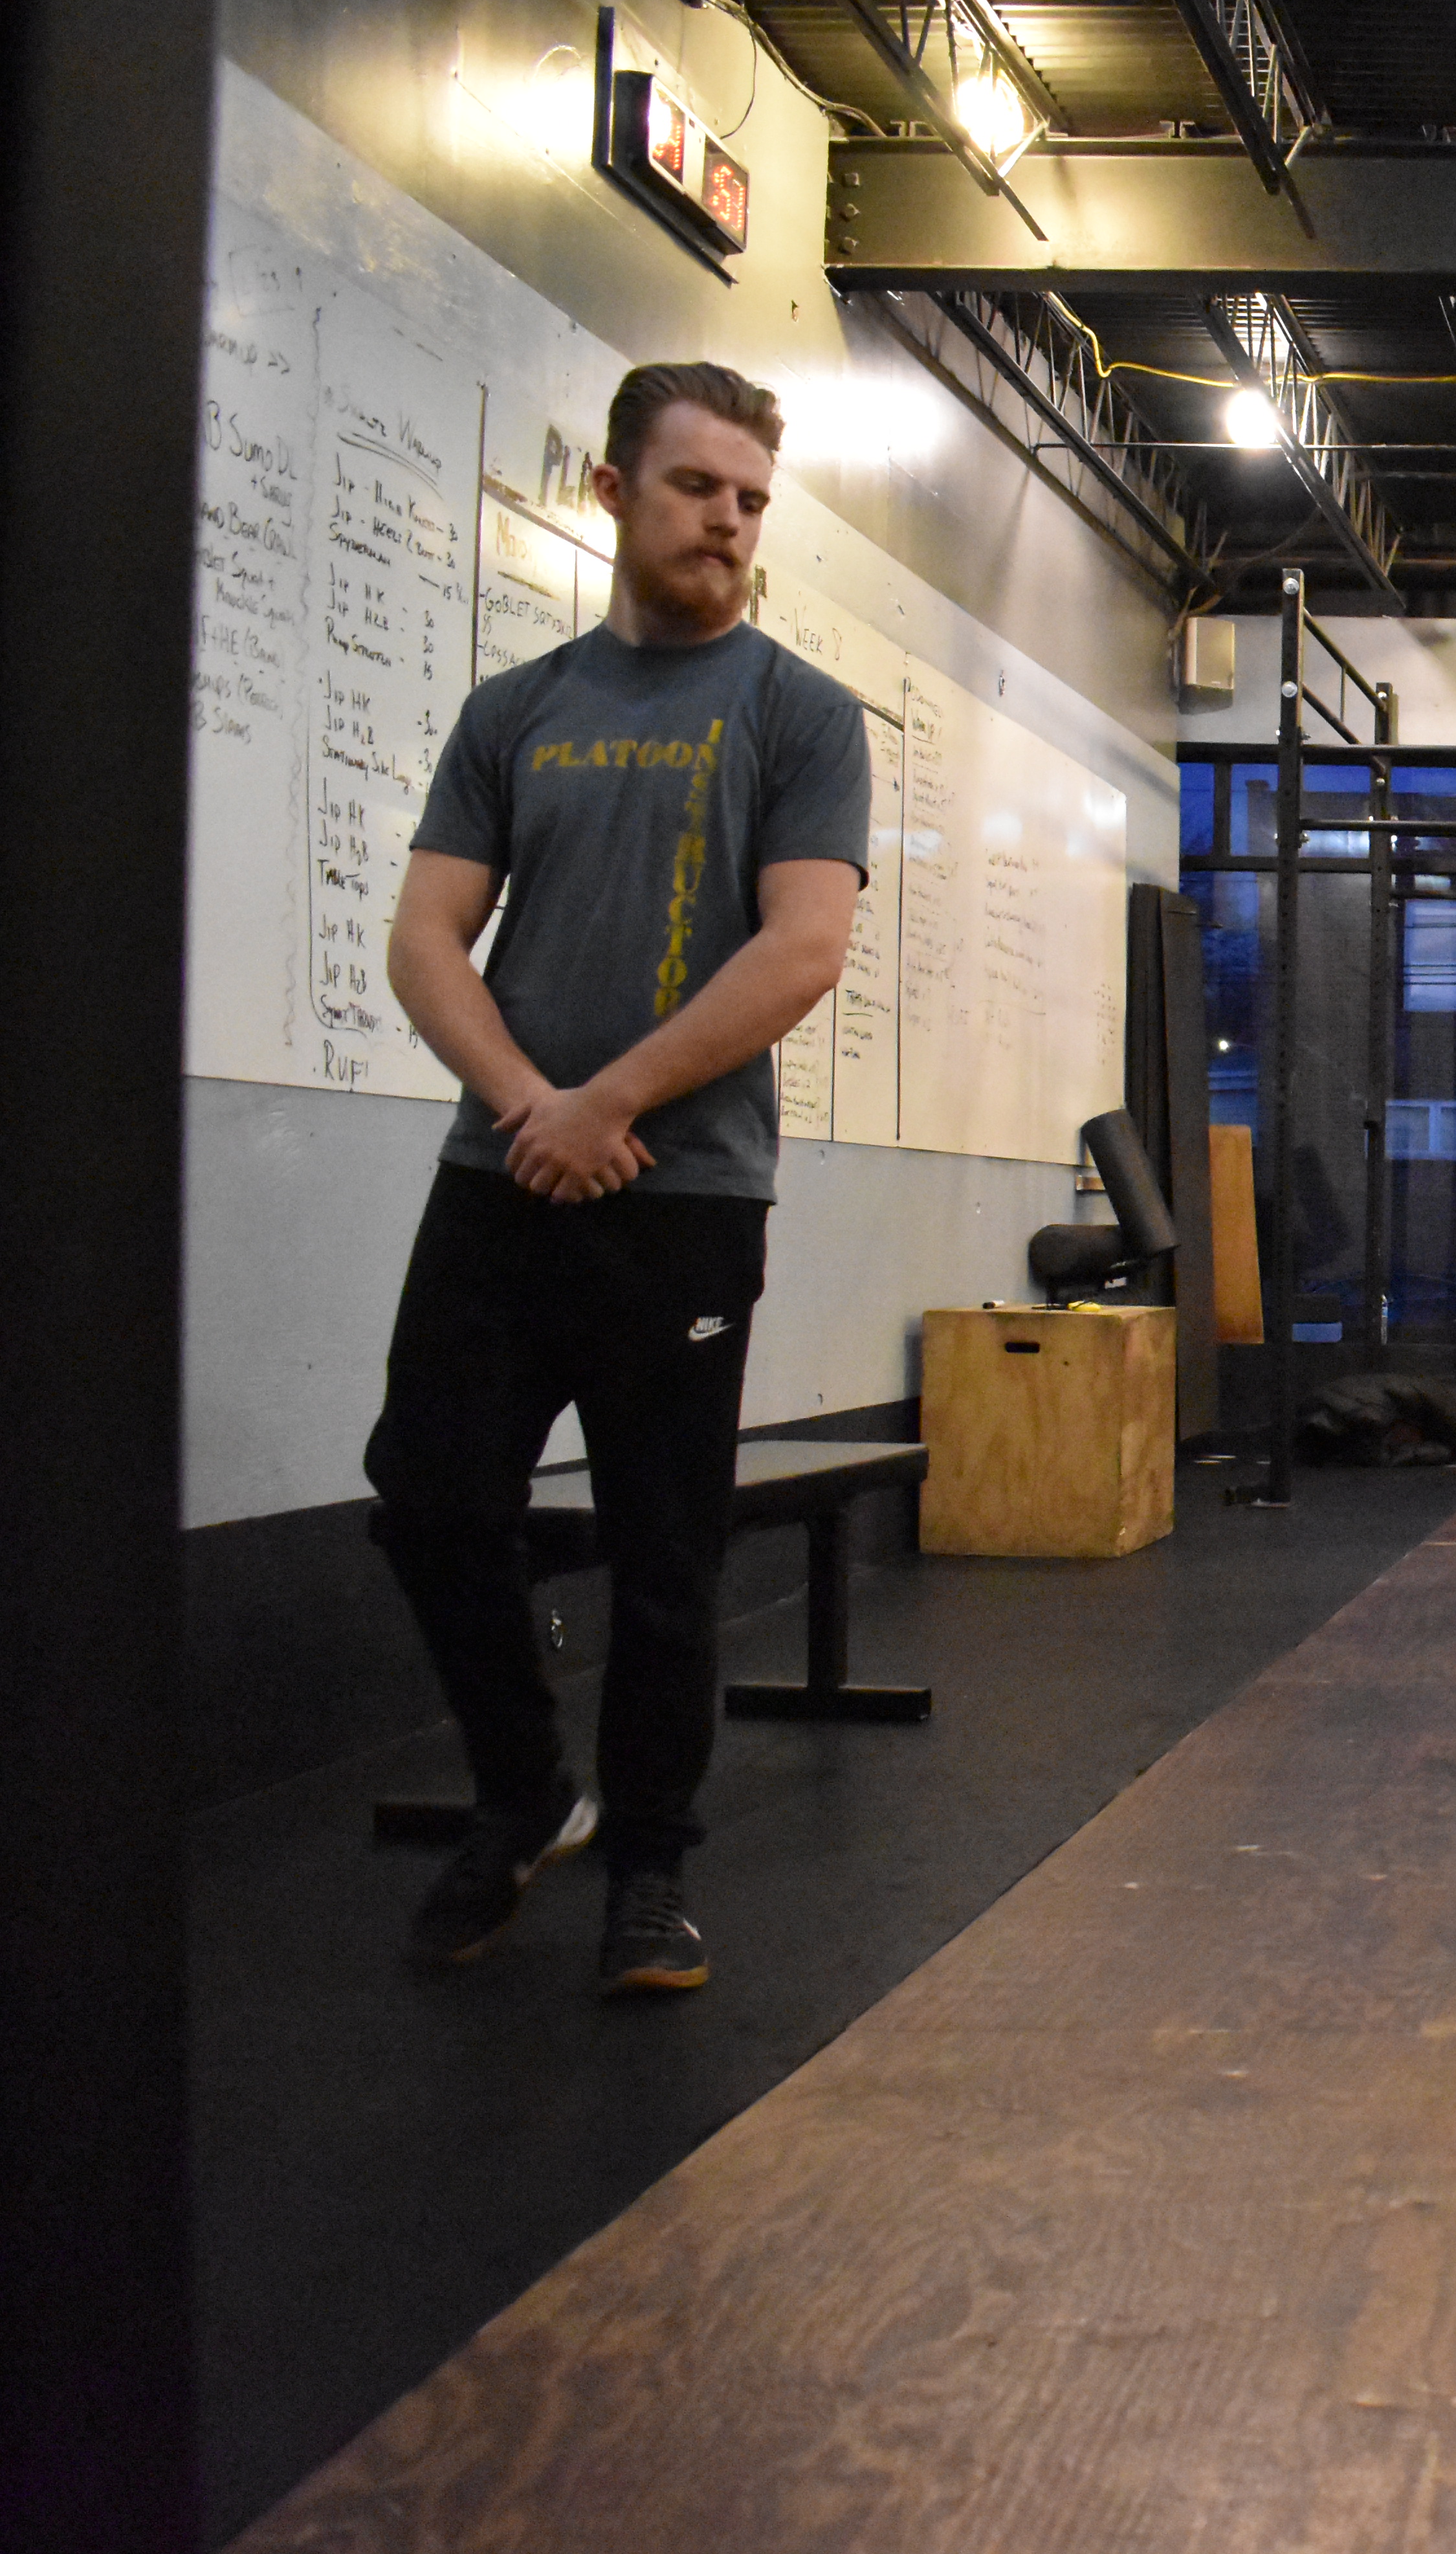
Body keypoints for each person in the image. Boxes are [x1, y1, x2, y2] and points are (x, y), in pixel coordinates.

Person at [368, 361, 870, 1997]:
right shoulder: (516, 712)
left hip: (687, 1195)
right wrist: (532, 1105)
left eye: (748, 499)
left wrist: (615, 1101)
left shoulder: (798, 713)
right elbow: (427, 935)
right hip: (502, 1173)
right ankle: (526, 1792)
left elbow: (803, 946)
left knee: (667, 1554)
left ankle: (651, 1868)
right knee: (432, 1489)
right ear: (613, 491)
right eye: (695, 488)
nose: (725, 521)